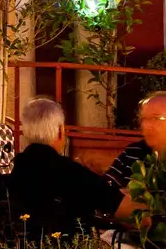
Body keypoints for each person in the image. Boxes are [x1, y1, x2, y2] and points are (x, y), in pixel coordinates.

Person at [7, 97, 126, 239]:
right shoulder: (72, 173)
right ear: (60, 131)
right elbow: (122, 207)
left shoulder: (12, 170)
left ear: (26, 131)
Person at [106, 92, 166, 191]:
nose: (146, 126)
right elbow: (106, 191)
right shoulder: (132, 152)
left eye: (155, 118)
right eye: (143, 119)